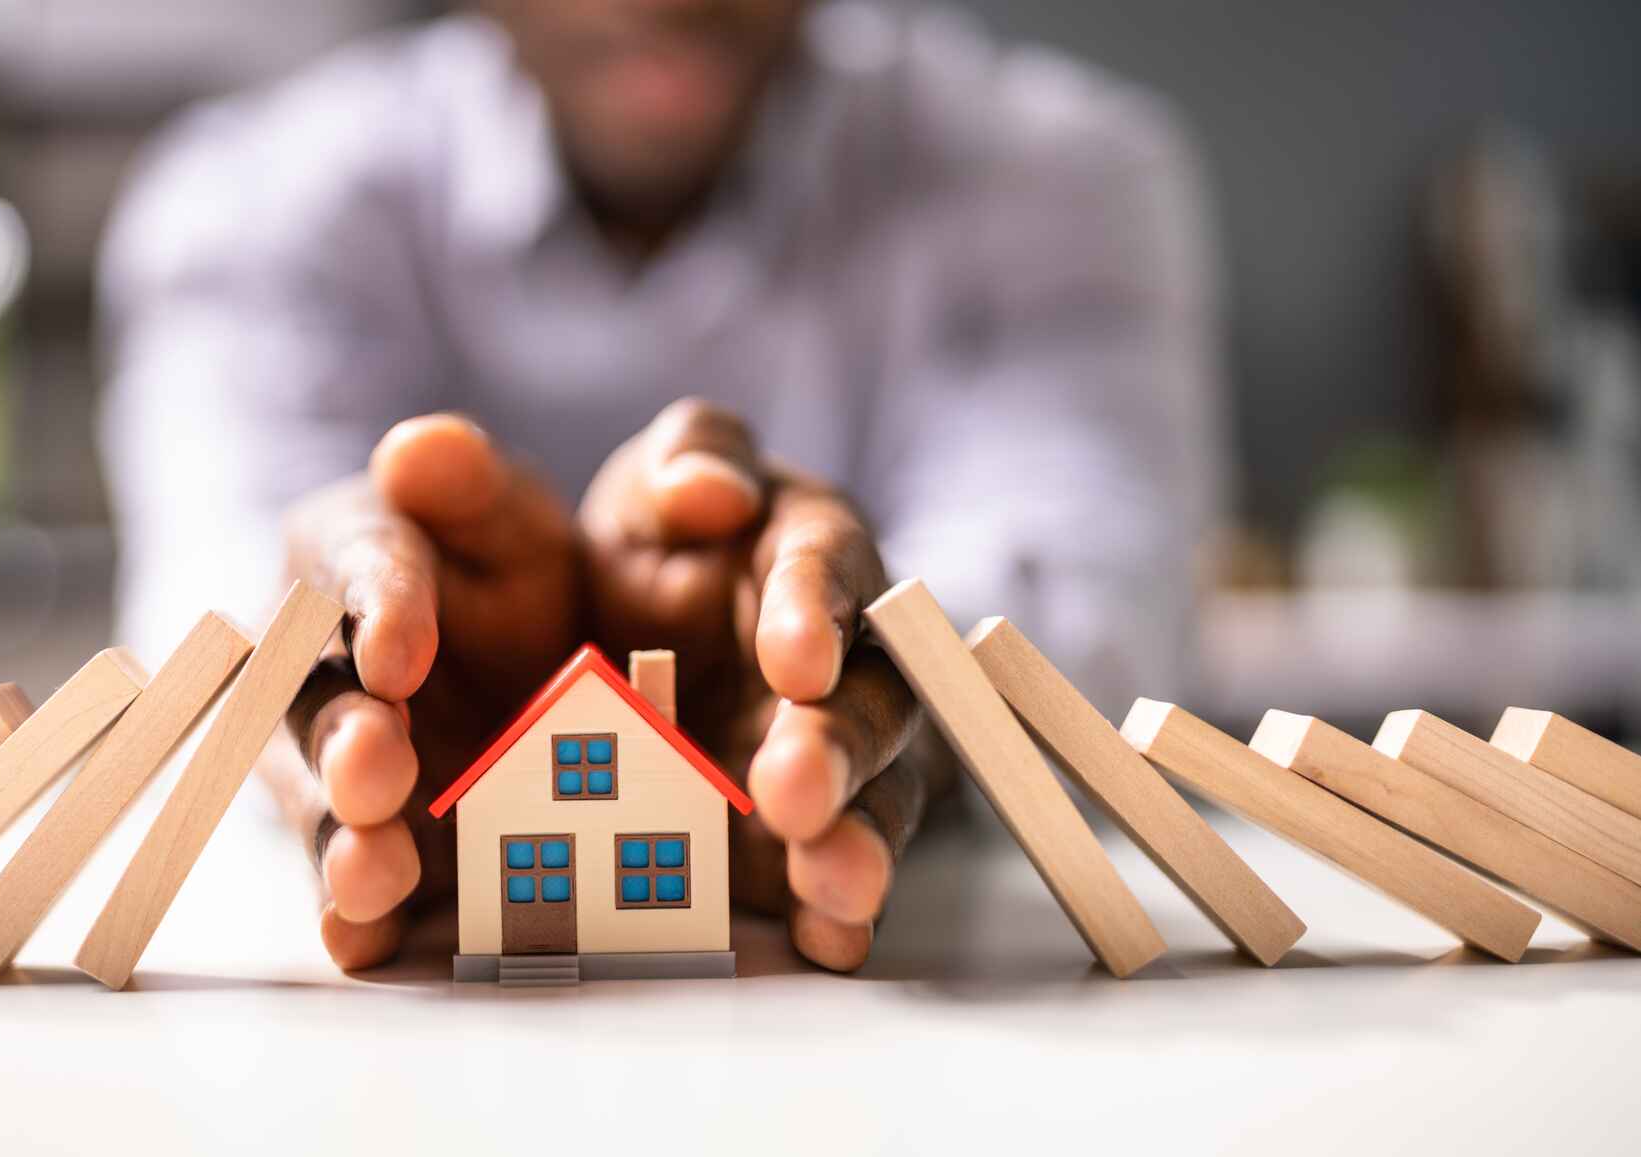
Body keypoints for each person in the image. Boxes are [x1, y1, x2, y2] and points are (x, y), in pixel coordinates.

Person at [97, 0, 1224, 972]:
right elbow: (212, 599)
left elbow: (1091, 606)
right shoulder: (252, 197)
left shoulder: (1055, 169)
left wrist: (879, 697)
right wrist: (336, 684)